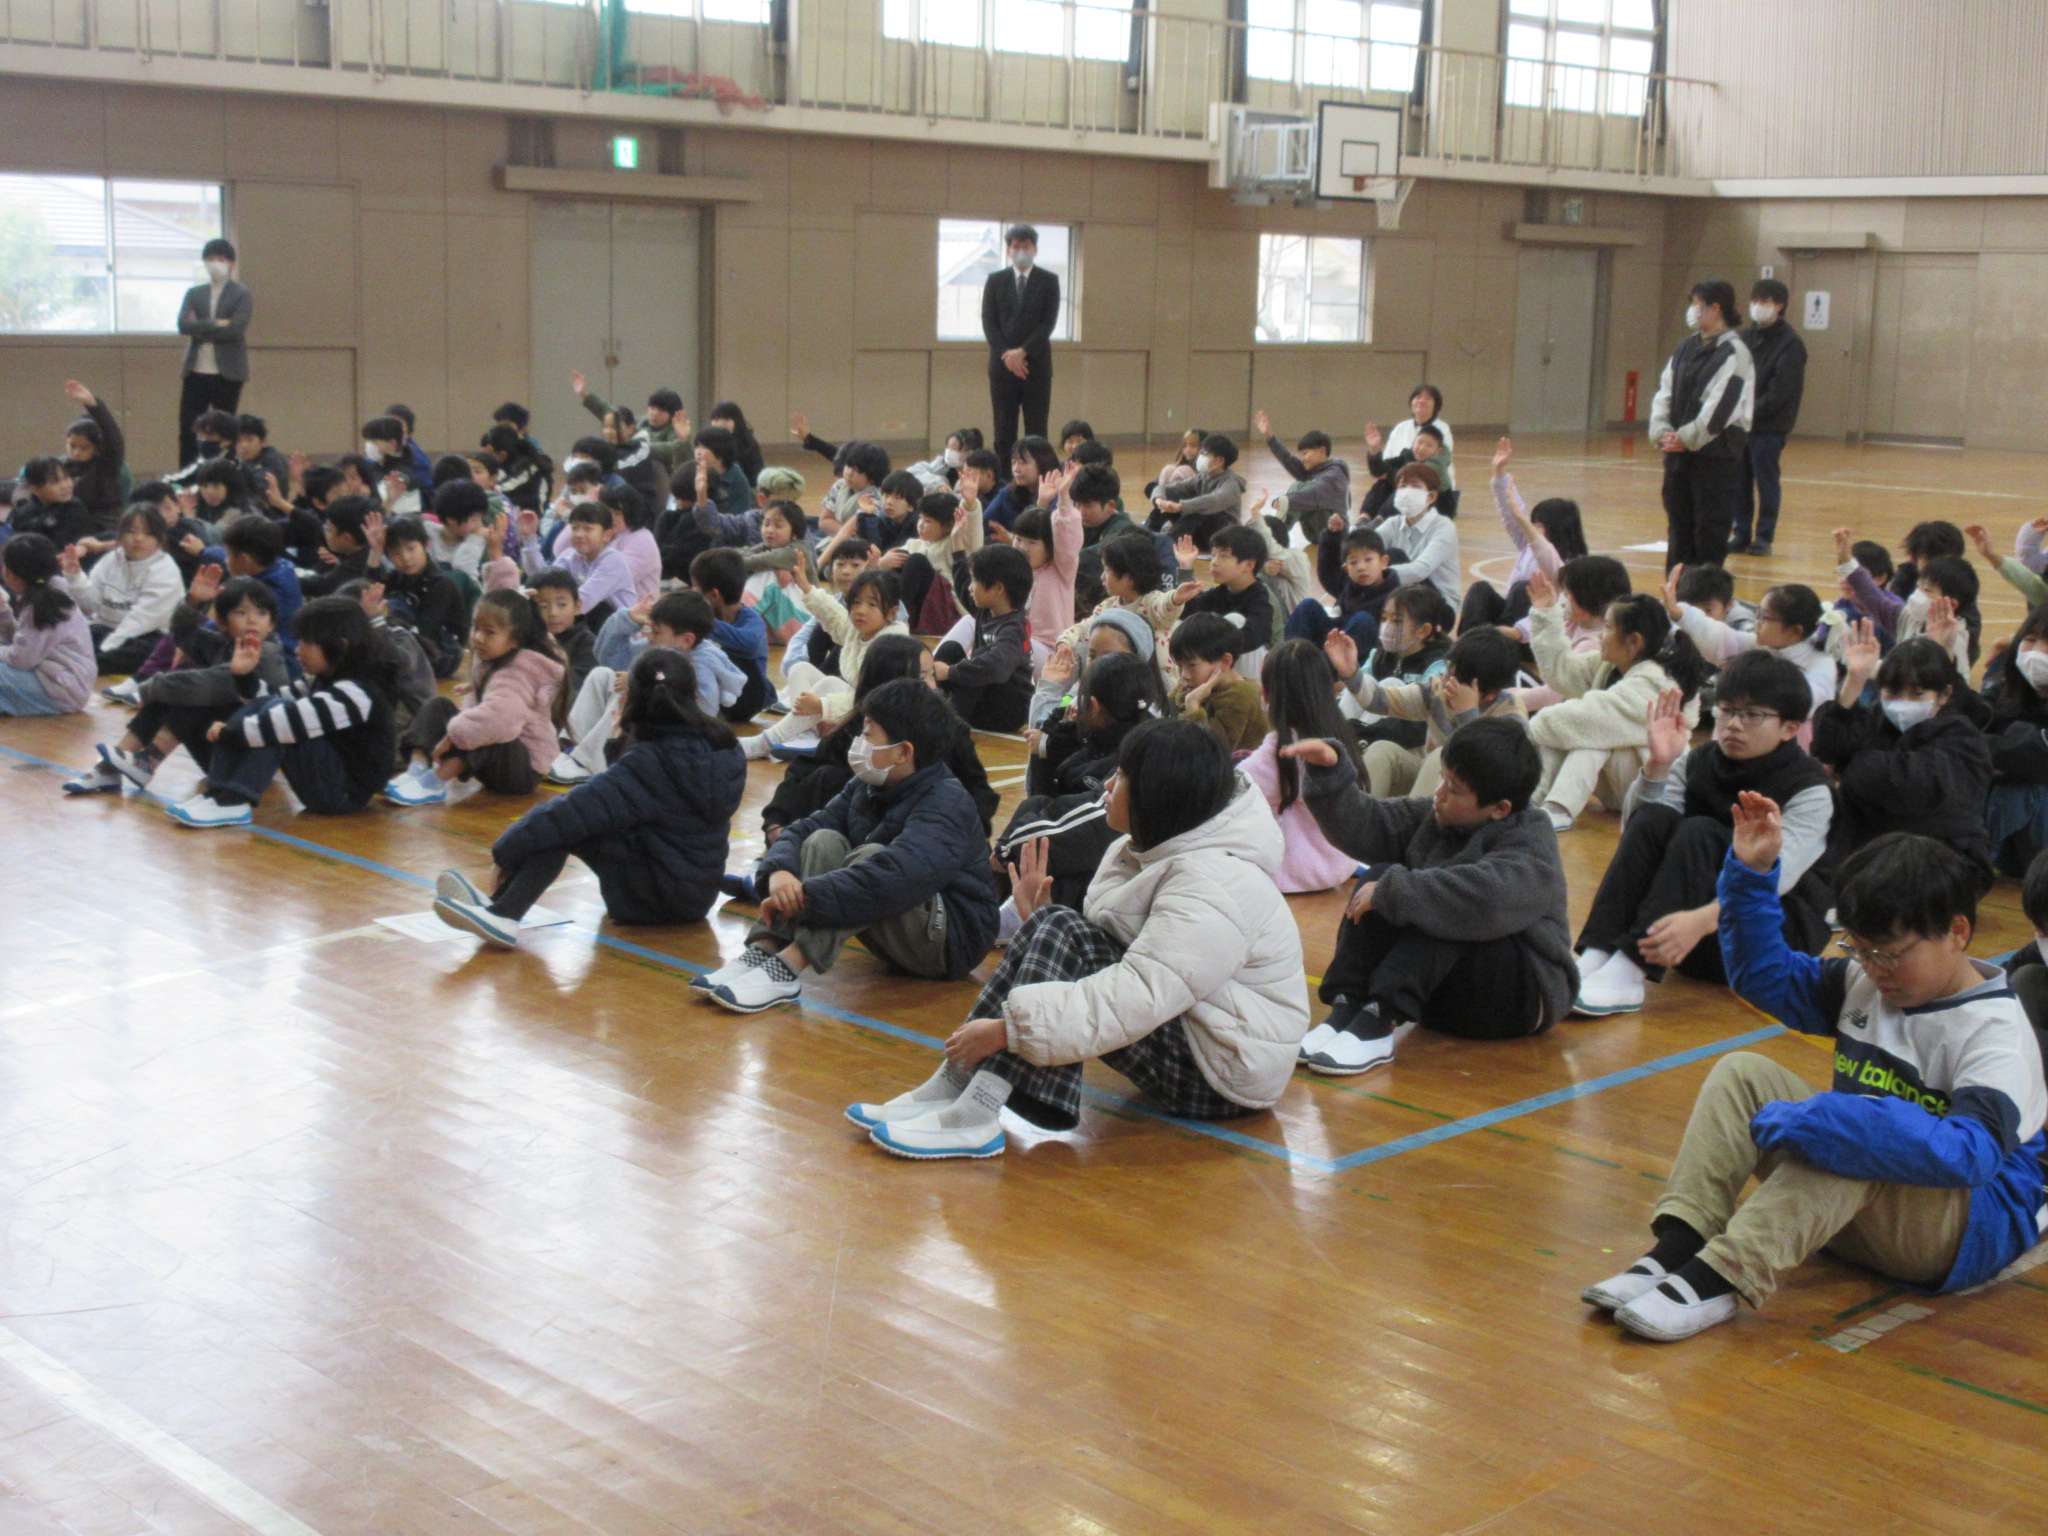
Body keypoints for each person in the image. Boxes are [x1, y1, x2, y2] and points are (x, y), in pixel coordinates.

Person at [1585, 820, 2046, 1343]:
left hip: (1961, 1234)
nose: (1874, 969)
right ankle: (1680, 1245)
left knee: (1857, 1138)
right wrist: (1752, 875)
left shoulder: (1996, 1033)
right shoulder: (1865, 982)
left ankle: (1723, 1277)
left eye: (1890, 954)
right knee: (1743, 1074)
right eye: (1860, 950)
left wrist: (1834, 1119)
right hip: (1865, 1206)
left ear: (1957, 933)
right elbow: (1765, 976)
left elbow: (1969, 1156)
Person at [850, 718, 1308, 1161]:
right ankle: (953, 1086)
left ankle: (975, 1114)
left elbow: (1137, 995)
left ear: (1158, 794)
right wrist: (1037, 920)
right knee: (1052, 925)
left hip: (1224, 1073)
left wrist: (1007, 1031)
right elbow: (1108, 952)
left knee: (1057, 931)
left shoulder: (1215, 882)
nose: (1107, 784)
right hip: (1201, 1032)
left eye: (1122, 776)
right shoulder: (1155, 848)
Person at [1287, 716, 1573, 1075]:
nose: (1439, 791)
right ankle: (1348, 1008)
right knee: (1381, 876)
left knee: (1445, 903)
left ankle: (1378, 1021)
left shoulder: (1532, 841)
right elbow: (1370, 823)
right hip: (1443, 995)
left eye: (1454, 788)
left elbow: (1484, 898)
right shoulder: (1440, 815)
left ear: (1499, 808)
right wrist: (1330, 774)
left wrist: (1395, 892)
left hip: (1520, 1000)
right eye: (1442, 777)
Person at [696, 678, 1000, 1012]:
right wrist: (780, 871)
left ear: (903, 751)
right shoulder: (867, 784)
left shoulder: (947, 803)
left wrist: (804, 898)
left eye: (868, 734)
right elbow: (806, 829)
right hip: (902, 920)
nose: (859, 742)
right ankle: (764, 949)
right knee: (823, 841)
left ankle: (787, 968)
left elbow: (892, 879)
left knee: (872, 860)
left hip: (950, 942)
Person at [1572, 655, 1835, 1018]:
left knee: (1702, 832)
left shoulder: (1809, 788)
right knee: (1655, 817)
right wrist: (1657, 766)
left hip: (1766, 938)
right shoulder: (1697, 761)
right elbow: (1638, 835)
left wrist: (1703, 919)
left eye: (1752, 714)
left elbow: (1780, 876)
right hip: (1683, 933)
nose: (1734, 724)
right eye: (1727, 710)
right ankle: (1597, 956)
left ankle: (1629, 971)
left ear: (1790, 728)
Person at [432, 648, 747, 949]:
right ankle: (497, 905)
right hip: (694, 892)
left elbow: (572, 813)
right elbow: (635, 798)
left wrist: (506, 853)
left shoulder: (649, 761)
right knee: (581, 817)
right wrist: (619, 743)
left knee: (563, 826)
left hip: (657, 901)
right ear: (692, 694)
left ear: (633, 698)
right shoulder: (723, 746)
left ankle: (504, 915)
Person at [163, 595, 399, 828]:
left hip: (343, 794)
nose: (298, 650)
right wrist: (244, 676)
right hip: (328, 779)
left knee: (279, 720)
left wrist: (230, 732)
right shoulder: (324, 678)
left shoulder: (359, 691)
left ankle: (234, 800)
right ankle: (219, 794)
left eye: (306, 643)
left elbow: (287, 722)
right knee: (272, 707)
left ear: (340, 645)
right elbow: (272, 699)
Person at [64, 572, 286, 796]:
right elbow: (183, 634)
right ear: (221, 622)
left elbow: (204, 685)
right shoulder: (224, 644)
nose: (252, 620)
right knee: (178, 696)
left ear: (272, 624)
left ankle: (145, 762)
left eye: (261, 613)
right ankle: (110, 769)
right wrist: (194, 602)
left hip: (251, 763)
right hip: (223, 750)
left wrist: (148, 689)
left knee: (189, 697)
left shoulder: (266, 654)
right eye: (241, 612)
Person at [1527, 572, 1709, 834]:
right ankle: (1532, 800)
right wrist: (1545, 613)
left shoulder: (1655, 682)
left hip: (1655, 788)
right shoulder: (1613, 664)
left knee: (1589, 734)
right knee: (1578, 729)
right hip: (1622, 784)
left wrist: (1523, 730)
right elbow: (1562, 672)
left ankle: (1559, 808)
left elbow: (1585, 719)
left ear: (1633, 641)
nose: (1601, 635)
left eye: (1608, 627)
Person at [1811, 628, 1994, 889]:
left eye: (1918, 695)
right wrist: (1854, 681)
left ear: (1943, 695)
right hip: (1867, 854)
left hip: (1941, 862)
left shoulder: (1964, 738)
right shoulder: (1877, 720)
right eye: (1892, 693)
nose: (1903, 703)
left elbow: (1907, 788)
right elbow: (1827, 748)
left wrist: (1851, 764)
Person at [385, 590, 566, 806]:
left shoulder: (517, 673)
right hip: (496, 762)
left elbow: (498, 720)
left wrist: (452, 737)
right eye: (476, 628)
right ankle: (416, 769)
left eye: (489, 632)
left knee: (484, 731)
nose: (478, 637)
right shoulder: (494, 653)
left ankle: (433, 783)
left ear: (516, 639)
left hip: (522, 772)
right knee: (439, 706)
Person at [1330, 623, 1526, 800]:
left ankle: (1414, 827)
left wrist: (1467, 712)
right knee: (1382, 750)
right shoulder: (1436, 690)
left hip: (1473, 800)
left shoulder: (1510, 714)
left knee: (1443, 758)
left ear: (1491, 694)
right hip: (1431, 782)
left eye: (1459, 684)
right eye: (1447, 674)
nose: (1447, 686)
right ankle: (1355, 819)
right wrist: (1351, 673)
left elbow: (1489, 771)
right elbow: (1380, 701)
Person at [1239, 642, 1363, 894]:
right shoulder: (1340, 733)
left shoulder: (1284, 746)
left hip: (1297, 872)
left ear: (1267, 694)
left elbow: (1235, 789)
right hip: (1342, 860)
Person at [1649, 279, 1754, 571]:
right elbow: (1665, 391)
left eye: (1696, 304)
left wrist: (1687, 438)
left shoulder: (1736, 353)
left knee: (1710, 530)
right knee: (1678, 527)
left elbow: (1720, 408)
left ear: (1715, 308)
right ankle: (1675, 589)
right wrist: (1661, 431)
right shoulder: (1684, 347)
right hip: (1679, 457)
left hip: (1715, 458)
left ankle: (1706, 592)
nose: (1692, 310)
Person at [1458, 437, 1585, 635]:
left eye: (1540, 525)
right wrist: (1500, 473)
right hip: (1510, 616)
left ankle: (1497, 643)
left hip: (1534, 629)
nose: (1533, 528)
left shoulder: (1571, 564)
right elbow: (1512, 516)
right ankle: (1469, 641)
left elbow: (1561, 610)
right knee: (1480, 589)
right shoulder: (1530, 547)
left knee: (1522, 589)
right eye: (1534, 523)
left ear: (1558, 528)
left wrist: (1518, 632)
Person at [57, 505, 182, 676]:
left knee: (142, 652)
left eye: (148, 534)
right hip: (106, 628)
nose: (138, 539)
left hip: (144, 635)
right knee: (66, 639)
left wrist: (105, 648)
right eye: (132, 532)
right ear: (120, 534)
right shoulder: (111, 559)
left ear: (160, 539)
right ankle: (80, 665)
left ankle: (83, 668)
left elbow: (140, 620)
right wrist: (74, 576)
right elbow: (91, 604)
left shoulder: (165, 570)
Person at [1732, 279, 1805, 559]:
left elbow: (1780, 392)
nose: (1757, 306)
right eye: (1754, 300)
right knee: (1739, 481)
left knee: (1766, 481)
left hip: (1769, 426)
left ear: (1779, 306)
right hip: (1741, 424)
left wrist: (1748, 409)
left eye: (1764, 301)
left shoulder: (1791, 344)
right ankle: (1740, 533)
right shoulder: (1743, 338)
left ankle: (1763, 536)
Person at [982, 224, 1061, 467]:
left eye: (1026, 246)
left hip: (1036, 365)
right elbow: (988, 322)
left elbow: (1048, 323)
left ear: (1035, 249)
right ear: (1008, 250)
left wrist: (1022, 352)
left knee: (1037, 429)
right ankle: (1006, 479)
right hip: (1002, 366)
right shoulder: (995, 280)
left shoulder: (1049, 281)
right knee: (1003, 429)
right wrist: (1009, 355)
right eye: (1015, 246)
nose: (1021, 251)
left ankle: (1038, 479)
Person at [934, 545, 1034, 732]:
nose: (970, 587)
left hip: (1008, 710)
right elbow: (963, 588)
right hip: (983, 698)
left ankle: (950, 723)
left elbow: (995, 668)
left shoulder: (1013, 629)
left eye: (975, 580)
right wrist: (958, 553)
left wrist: (949, 672)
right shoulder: (987, 609)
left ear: (997, 588)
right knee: (950, 649)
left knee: (980, 659)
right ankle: (930, 701)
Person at [1983, 606, 2048, 876]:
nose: (2037, 652)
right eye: (2030, 640)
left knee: (2019, 786)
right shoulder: (2006, 691)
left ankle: (1975, 864)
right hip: (2014, 844)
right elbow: (1962, 735)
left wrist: (1995, 760)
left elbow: (2027, 756)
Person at [176, 239, 252, 467]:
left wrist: (200, 328)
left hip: (228, 372)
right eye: (210, 259)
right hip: (195, 371)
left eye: (220, 259)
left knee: (225, 430)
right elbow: (183, 326)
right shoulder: (194, 293)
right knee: (189, 428)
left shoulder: (241, 294)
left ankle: (224, 472)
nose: (215, 264)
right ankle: (187, 476)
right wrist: (217, 323)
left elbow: (236, 329)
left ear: (231, 264)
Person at [0, 535, 94, 717]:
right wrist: (3, 612)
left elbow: (20, 659)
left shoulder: (42, 605)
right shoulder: (49, 593)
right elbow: (22, 643)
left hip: (60, 689)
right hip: (60, 683)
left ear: (11, 573)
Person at [1168, 612, 1269, 752]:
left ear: (1225, 661)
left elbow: (1212, 753)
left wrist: (1192, 707)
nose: (1184, 676)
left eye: (1192, 665)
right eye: (1180, 666)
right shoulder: (1193, 686)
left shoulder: (1242, 696)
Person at [1370, 463, 1461, 607]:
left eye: (1416, 486)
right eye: (1403, 486)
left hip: (1439, 602)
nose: (1407, 492)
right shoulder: (1393, 523)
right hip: (1403, 595)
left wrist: (1375, 573)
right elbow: (1367, 545)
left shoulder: (1444, 526)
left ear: (1431, 497)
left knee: (1393, 556)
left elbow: (1421, 570)